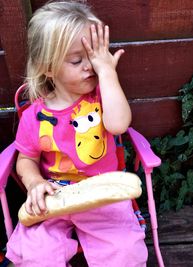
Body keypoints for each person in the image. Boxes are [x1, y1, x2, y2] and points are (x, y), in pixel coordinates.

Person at [6, 1, 148, 266]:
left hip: (102, 194)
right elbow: (26, 159)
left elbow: (118, 125)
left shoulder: (102, 96)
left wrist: (107, 71)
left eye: (93, 55)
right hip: (56, 197)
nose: (89, 66)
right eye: (77, 59)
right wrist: (35, 182)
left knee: (125, 252)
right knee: (38, 255)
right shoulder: (33, 117)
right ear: (47, 67)